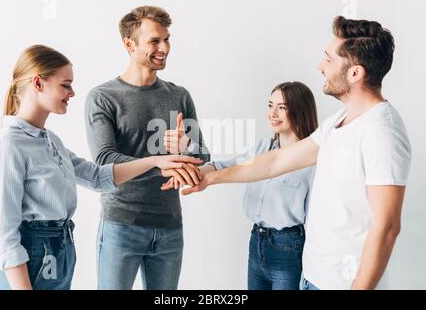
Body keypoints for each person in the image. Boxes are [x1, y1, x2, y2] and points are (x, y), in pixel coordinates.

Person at [170, 16, 412, 290]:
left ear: (355, 73)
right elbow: (275, 162)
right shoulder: (337, 122)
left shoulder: (382, 131)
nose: (321, 67)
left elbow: (387, 226)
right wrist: (209, 178)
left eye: (329, 59)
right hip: (312, 277)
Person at [0, 44, 201, 290]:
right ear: (38, 83)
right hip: (32, 255)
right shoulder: (9, 145)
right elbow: (5, 237)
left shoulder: (50, 140)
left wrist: (156, 162)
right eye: (65, 85)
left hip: (59, 248)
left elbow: (97, 177)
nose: (72, 93)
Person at [84, 6, 210, 290]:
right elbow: (105, 162)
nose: (164, 47)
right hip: (121, 225)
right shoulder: (103, 98)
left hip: (170, 226)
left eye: (167, 39)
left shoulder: (179, 95)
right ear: (129, 44)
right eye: (154, 40)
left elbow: (202, 159)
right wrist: (161, 162)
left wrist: (185, 145)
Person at [163, 81, 318, 290]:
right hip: (257, 242)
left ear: (300, 110)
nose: (273, 113)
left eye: (282, 107)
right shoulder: (263, 147)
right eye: (270, 105)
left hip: (288, 247)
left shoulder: (312, 159)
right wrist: (190, 167)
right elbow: (221, 166)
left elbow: (316, 217)